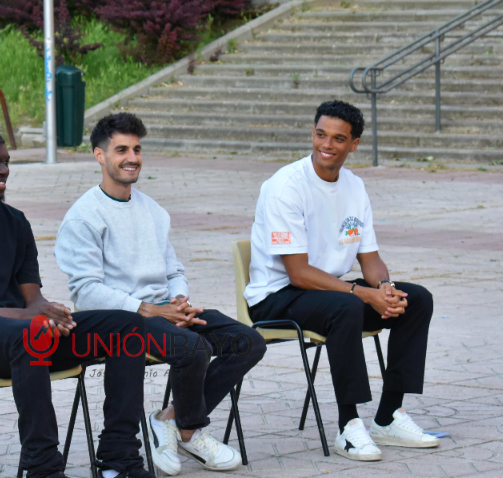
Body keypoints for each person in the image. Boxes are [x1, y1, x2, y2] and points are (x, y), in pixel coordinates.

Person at [0, 125, 154, 478]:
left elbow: (32, 300)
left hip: (25, 336)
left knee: (125, 326)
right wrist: (25, 317)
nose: (4, 170)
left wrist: (52, 314)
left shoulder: (15, 222)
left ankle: (119, 458)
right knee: (29, 334)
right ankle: (43, 468)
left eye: (6, 162)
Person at [54, 113, 267, 476]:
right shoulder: (83, 217)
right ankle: (191, 430)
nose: (132, 157)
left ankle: (171, 420)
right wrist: (152, 310)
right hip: (123, 321)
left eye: (137, 149)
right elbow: (86, 292)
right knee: (192, 348)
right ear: (99, 155)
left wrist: (180, 301)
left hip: (165, 311)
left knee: (248, 342)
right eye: (121, 150)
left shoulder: (153, 211)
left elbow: (173, 270)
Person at [245, 100, 438, 462]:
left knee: (416, 300)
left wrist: (384, 288)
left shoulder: (354, 186)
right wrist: (362, 293)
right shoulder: (286, 186)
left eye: (338, 138)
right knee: (347, 306)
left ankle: (388, 417)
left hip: (328, 294)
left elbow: (370, 258)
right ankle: (349, 427)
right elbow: (297, 272)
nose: (327, 145)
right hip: (276, 297)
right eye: (321, 135)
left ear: (354, 144)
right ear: (312, 133)